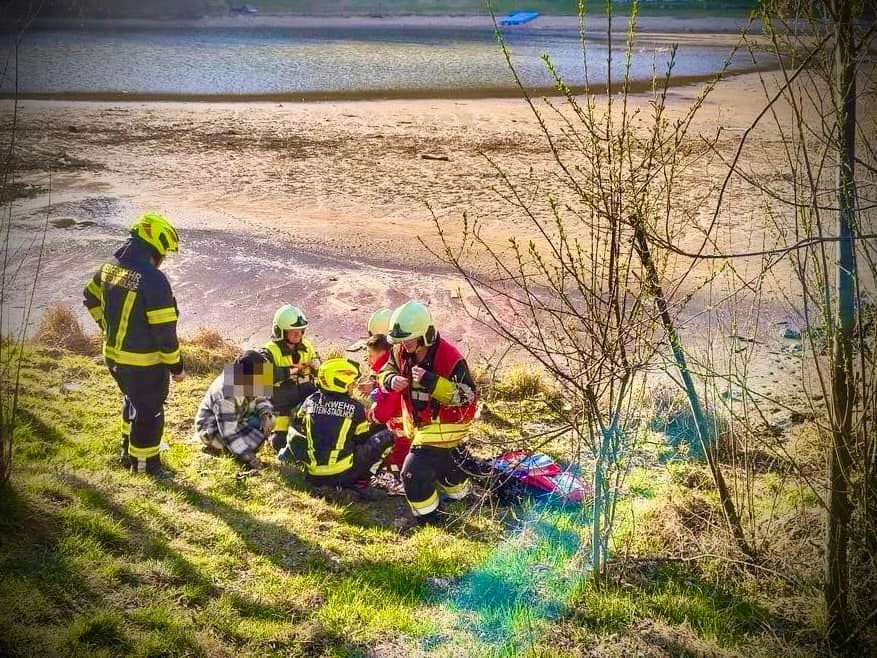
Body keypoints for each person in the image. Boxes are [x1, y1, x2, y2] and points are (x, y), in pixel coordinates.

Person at [83, 212, 185, 475]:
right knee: (149, 412)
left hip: (114, 357)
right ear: (155, 248)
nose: (163, 260)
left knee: (133, 402)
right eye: (164, 253)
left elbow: (90, 297)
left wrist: (108, 328)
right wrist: (177, 366)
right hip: (144, 364)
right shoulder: (153, 280)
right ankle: (145, 466)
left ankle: (127, 452)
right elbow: (165, 333)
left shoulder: (109, 267)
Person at [378, 301, 478, 522]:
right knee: (442, 460)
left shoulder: (450, 357)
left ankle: (429, 519)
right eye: (401, 341)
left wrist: (432, 383)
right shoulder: (400, 350)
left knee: (412, 472)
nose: (404, 345)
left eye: (409, 340)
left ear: (426, 334)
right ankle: (462, 494)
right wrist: (390, 379)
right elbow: (385, 370)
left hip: (449, 423)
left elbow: (467, 396)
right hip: (420, 425)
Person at [278, 357, 394, 488]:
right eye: (351, 383)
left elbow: (299, 425)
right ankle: (367, 478)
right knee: (386, 435)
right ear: (340, 383)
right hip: (343, 474)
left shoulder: (310, 401)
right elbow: (361, 438)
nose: (354, 386)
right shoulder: (355, 407)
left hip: (313, 474)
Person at [194, 350, 275, 470]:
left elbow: (260, 397)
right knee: (251, 442)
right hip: (213, 429)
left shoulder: (244, 377)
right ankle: (217, 449)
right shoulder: (226, 394)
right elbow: (229, 433)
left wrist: (265, 415)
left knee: (270, 421)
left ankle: (236, 450)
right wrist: (250, 458)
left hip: (237, 418)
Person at [261, 304, 321, 453]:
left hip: (306, 398)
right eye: (292, 331)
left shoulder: (307, 346)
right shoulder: (268, 351)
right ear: (280, 331)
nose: (298, 334)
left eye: (300, 330)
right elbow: (259, 379)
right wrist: (291, 371)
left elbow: (319, 368)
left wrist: (318, 366)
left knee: (320, 432)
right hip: (280, 404)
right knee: (279, 443)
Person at [359, 332, 411, 479]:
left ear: (382, 353)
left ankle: (392, 476)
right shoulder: (390, 367)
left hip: (400, 430)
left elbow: (382, 413)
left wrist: (367, 414)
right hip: (404, 426)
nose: (367, 359)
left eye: (370, 355)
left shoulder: (386, 374)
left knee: (393, 458)